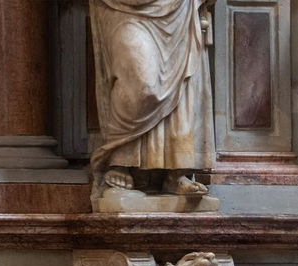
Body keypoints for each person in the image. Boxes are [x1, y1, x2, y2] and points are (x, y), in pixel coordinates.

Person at [89, 0, 216, 197]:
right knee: (141, 83)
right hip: (121, 7)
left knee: (182, 84)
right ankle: (121, 156)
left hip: (177, 8)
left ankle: (176, 171)